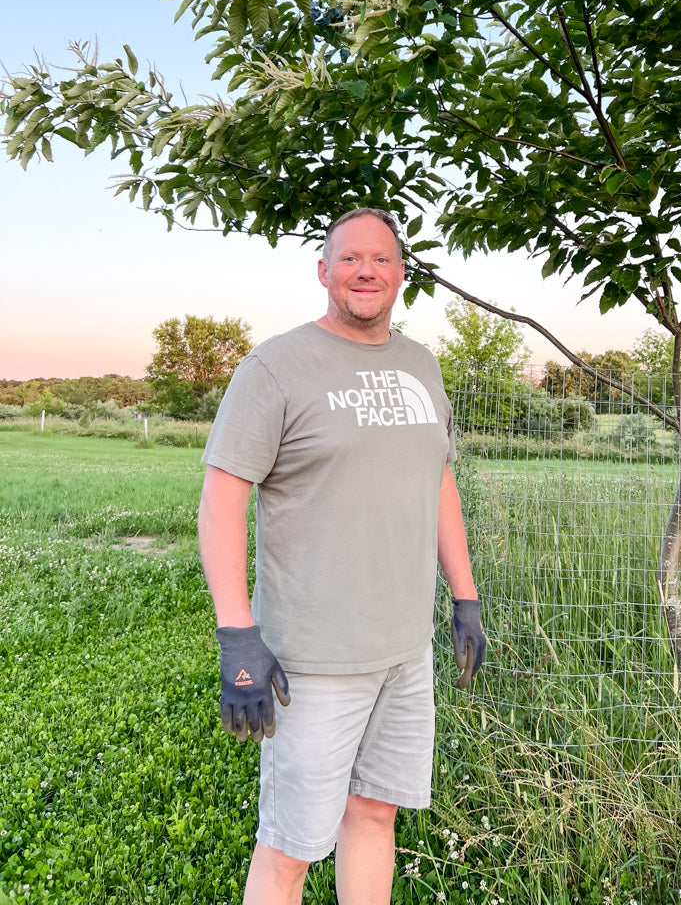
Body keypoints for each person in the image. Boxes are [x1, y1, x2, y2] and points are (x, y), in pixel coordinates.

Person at [197, 206, 486, 905]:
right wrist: (237, 632)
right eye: (350, 259)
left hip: (403, 651)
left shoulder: (421, 364)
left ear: (402, 274)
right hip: (312, 662)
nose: (366, 271)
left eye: (381, 259)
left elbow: (438, 479)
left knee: (375, 813)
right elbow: (221, 500)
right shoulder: (276, 367)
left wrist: (465, 596)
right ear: (324, 271)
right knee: (289, 849)